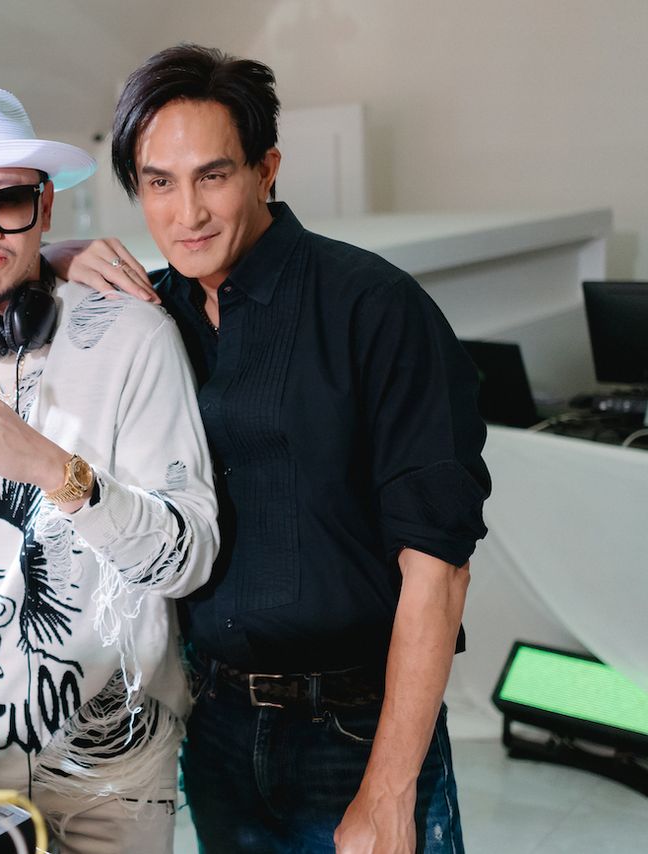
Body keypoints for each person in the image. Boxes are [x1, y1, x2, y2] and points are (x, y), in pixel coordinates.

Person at [45, 45, 490, 853]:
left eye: (212, 176)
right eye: (159, 183)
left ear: (265, 170)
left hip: (357, 729)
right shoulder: (149, 320)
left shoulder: (375, 308)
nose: (188, 213)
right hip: (215, 727)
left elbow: (440, 569)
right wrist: (56, 258)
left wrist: (390, 791)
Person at [0, 86, 219, 854]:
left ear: (46, 206)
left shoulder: (134, 341)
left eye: (9, 200)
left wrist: (57, 472)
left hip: (116, 767)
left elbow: (187, 558)